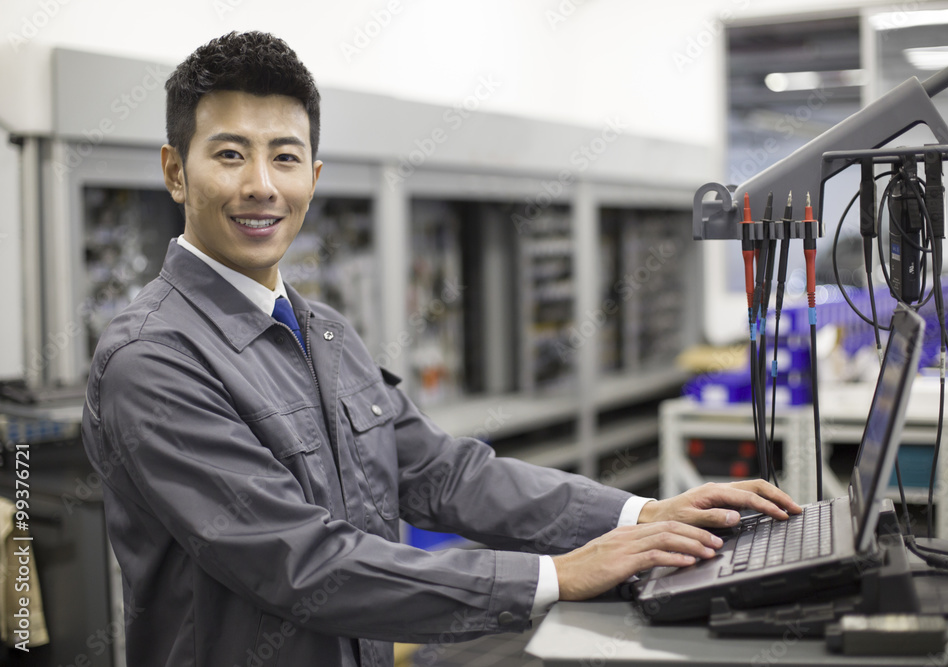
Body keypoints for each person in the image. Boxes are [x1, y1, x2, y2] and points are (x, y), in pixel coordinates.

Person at [80, 31, 801, 667]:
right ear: (176, 170)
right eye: (230, 154)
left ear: (315, 177)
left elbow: (443, 475)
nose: (261, 185)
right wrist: (553, 577)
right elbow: (299, 562)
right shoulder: (154, 361)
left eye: (285, 156)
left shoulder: (323, 330)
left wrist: (637, 516)